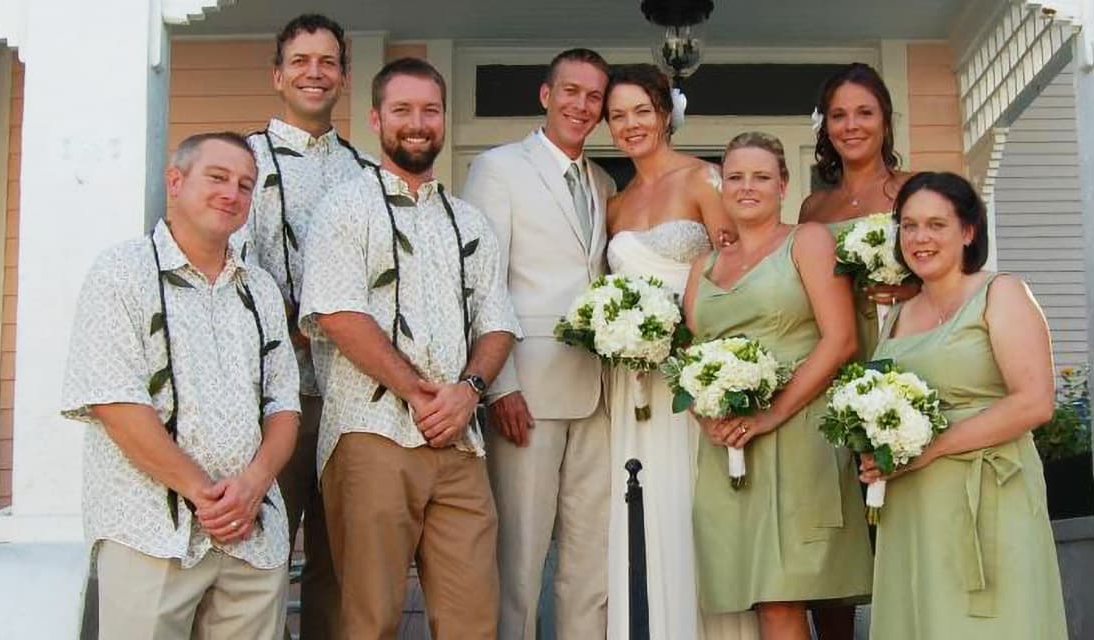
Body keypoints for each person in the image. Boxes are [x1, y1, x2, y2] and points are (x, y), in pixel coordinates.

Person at [300, 58, 518, 640]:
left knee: (474, 615)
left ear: (443, 119)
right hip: (371, 433)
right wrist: (420, 394)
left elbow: (497, 323)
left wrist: (468, 392)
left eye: (429, 110)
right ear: (375, 119)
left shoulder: (469, 221)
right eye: (402, 110)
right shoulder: (345, 208)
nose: (417, 123)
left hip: (460, 442)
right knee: (368, 617)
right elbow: (338, 313)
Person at [61, 132, 299, 640]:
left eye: (244, 185)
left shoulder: (259, 290)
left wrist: (253, 486)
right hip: (149, 531)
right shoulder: (121, 273)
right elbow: (115, 403)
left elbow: (284, 407)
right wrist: (205, 496)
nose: (231, 194)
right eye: (217, 177)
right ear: (175, 181)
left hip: (252, 537)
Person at [858, 171, 1068, 639]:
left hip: (990, 493)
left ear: (969, 230)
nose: (920, 238)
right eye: (909, 226)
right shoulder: (897, 314)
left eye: (936, 224)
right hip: (912, 503)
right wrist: (876, 453)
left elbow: (1035, 402)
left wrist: (929, 450)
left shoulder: (1001, 292)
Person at [683, 132, 872, 640]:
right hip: (730, 447)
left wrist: (771, 414)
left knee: (787, 596)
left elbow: (840, 339)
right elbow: (690, 358)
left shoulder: (807, 241)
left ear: (783, 185)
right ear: (721, 186)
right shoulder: (704, 266)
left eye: (762, 176)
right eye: (736, 177)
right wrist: (708, 416)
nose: (748, 187)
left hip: (799, 430)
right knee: (763, 597)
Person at [462, 48, 615, 640]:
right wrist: (498, 383)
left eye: (594, 96)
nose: (582, 105)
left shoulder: (601, 181)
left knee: (589, 557)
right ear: (546, 96)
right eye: (571, 91)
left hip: (599, 391)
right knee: (519, 558)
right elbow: (482, 282)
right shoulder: (498, 168)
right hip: (526, 390)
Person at [597, 64, 754, 640]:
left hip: (691, 374)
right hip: (632, 380)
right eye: (618, 115)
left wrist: (708, 358)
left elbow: (735, 272)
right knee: (639, 502)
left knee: (691, 509)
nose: (630, 124)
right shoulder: (615, 202)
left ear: (666, 113)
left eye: (642, 110)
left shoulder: (702, 181)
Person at [243, 14, 366, 638]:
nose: (314, 73)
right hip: (273, 396)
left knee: (337, 562)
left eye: (327, 62)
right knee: (262, 554)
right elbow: (232, 270)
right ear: (278, 75)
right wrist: (298, 325)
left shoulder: (363, 172)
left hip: (348, 397)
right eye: (301, 61)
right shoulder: (244, 163)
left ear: (344, 76)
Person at [798, 62, 919, 363]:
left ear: (885, 122)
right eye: (839, 115)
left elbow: (957, 270)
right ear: (826, 127)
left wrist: (914, 290)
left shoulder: (916, 189)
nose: (851, 126)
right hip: (833, 351)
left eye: (865, 113)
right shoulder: (814, 208)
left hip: (904, 336)